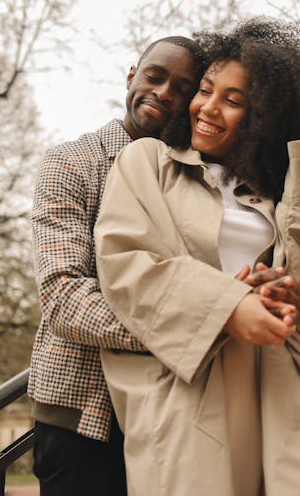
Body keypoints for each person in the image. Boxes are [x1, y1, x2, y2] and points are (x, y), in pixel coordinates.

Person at [95, 17, 300, 496]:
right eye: (206, 89)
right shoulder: (146, 162)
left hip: (285, 380)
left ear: (260, 116)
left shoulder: (265, 190)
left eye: (234, 100)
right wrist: (229, 306)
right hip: (192, 382)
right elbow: (129, 264)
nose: (208, 108)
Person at [28, 36, 203, 496]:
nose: (166, 93)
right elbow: (63, 297)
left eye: (184, 88)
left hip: (174, 410)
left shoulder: (197, 178)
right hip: (83, 415)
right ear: (131, 76)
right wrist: (186, 330)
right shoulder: (71, 163)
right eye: (155, 76)